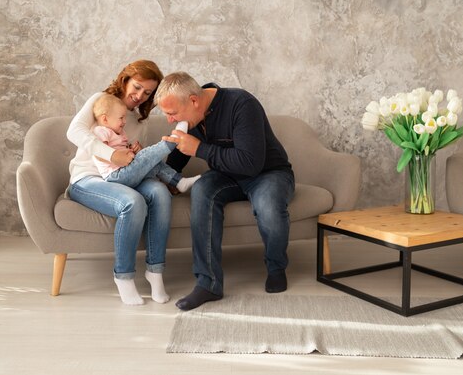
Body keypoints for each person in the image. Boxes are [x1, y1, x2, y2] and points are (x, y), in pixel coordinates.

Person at [154, 71, 295, 311]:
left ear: (194, 101)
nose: (169, 120)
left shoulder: (241, 104)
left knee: (268, 205)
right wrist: (166, 180)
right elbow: (179, 156)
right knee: (201, 190)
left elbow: (251, 163)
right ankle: (208, 283)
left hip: (268, 173)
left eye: (172, 113)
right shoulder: (192, 118)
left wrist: (199, 149)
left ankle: (276, 267)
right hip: (226, 175)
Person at [66, 60, 172, 306]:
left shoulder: (138, 120)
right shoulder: (99, 100)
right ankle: (123, 277)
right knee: (132, 202)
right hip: (88, 179)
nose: (139, 96)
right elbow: (74, 131)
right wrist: (110, 154)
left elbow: (129, 161)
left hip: (121, 178)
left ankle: (155, 273)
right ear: (124, 80)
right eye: (136, 87)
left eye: (147, 93)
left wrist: (136, 152)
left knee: (159, 192)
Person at [91, 93, 200, 192]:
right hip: (116, 176)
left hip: (127, 172)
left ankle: (179, 182)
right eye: (121, 118)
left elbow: (122, 150)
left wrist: (132, 149)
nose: (124, 121)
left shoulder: (120, 132)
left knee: (154, 162)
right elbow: (99, 153)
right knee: (146, 155)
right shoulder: (101, 131)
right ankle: (171, 141)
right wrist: (118, 155)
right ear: (105, 119)